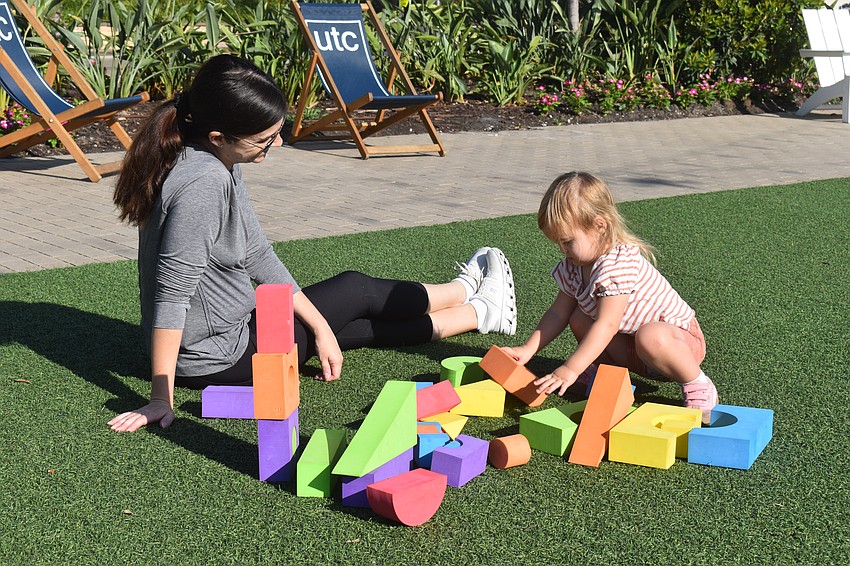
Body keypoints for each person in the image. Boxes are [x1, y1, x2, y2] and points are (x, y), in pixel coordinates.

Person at [109, 55, 516, 433]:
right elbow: (172, 294)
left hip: (215, 345)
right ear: (218, 136)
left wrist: (320, 327)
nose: (279, 144)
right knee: (355, 289)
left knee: (349, 327)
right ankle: (465, 291)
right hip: (221, 355)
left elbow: (256, 254)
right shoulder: (204, 182)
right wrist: (160, 397)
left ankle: (477, 313)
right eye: (265, 140)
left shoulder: (211, 158)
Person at [503, 171, 718, 420]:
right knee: (579, 318)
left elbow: (608, 324)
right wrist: (528, 349)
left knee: (650, 335)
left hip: (678, 345)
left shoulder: (618, 264)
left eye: (568, 242)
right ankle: (609, 377)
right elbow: (557, 313)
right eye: (557, 244)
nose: (562, 250)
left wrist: (570, 369)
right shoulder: (573, 267)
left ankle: (697, 383)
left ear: (599, 225)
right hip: (634, 348)